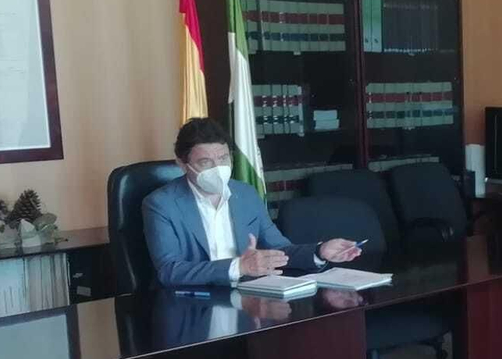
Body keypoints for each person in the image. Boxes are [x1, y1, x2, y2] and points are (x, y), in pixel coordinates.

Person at [142, 117, 360, 290]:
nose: (218, 168)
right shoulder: (161, 204)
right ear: (182, 164)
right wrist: (239, 267)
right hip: (193, 304)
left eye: (223, 158)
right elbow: (170, 271)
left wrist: (320, 251)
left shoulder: (245, 194)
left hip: (249, 296)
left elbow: (279, 249)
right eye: (205, 162)